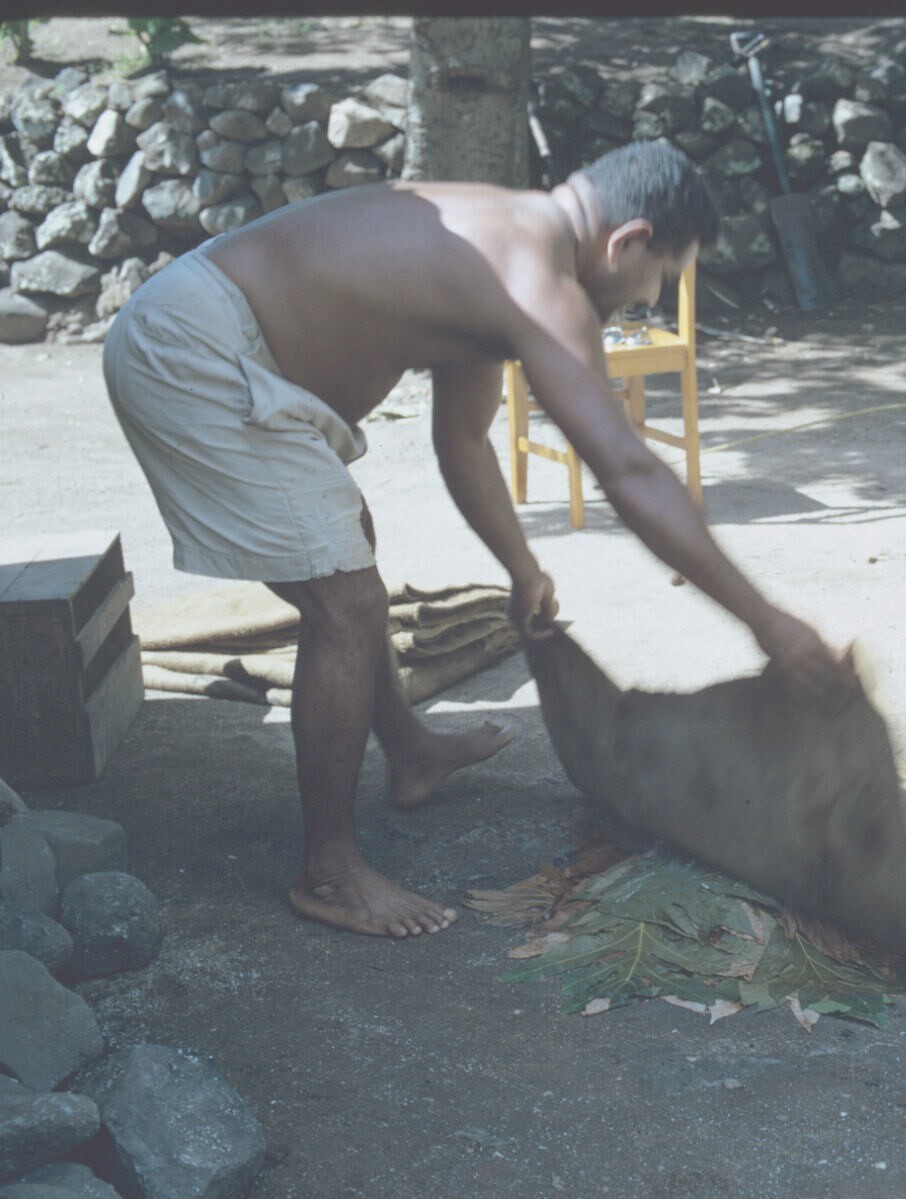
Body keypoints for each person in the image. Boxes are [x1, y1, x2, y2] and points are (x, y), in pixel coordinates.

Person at [102, 141, 852, 939]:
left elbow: (462, 440)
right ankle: (328, 871)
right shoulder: (538, 277)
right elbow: (629, 470)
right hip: (195, 347)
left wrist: (521, 567)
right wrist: (766, 620)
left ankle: (410, 749)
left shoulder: (504, 244)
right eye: (661, 275)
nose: (651, 297)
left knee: (348, 547)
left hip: (209, 331)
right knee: (344, 605)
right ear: (626, 241)